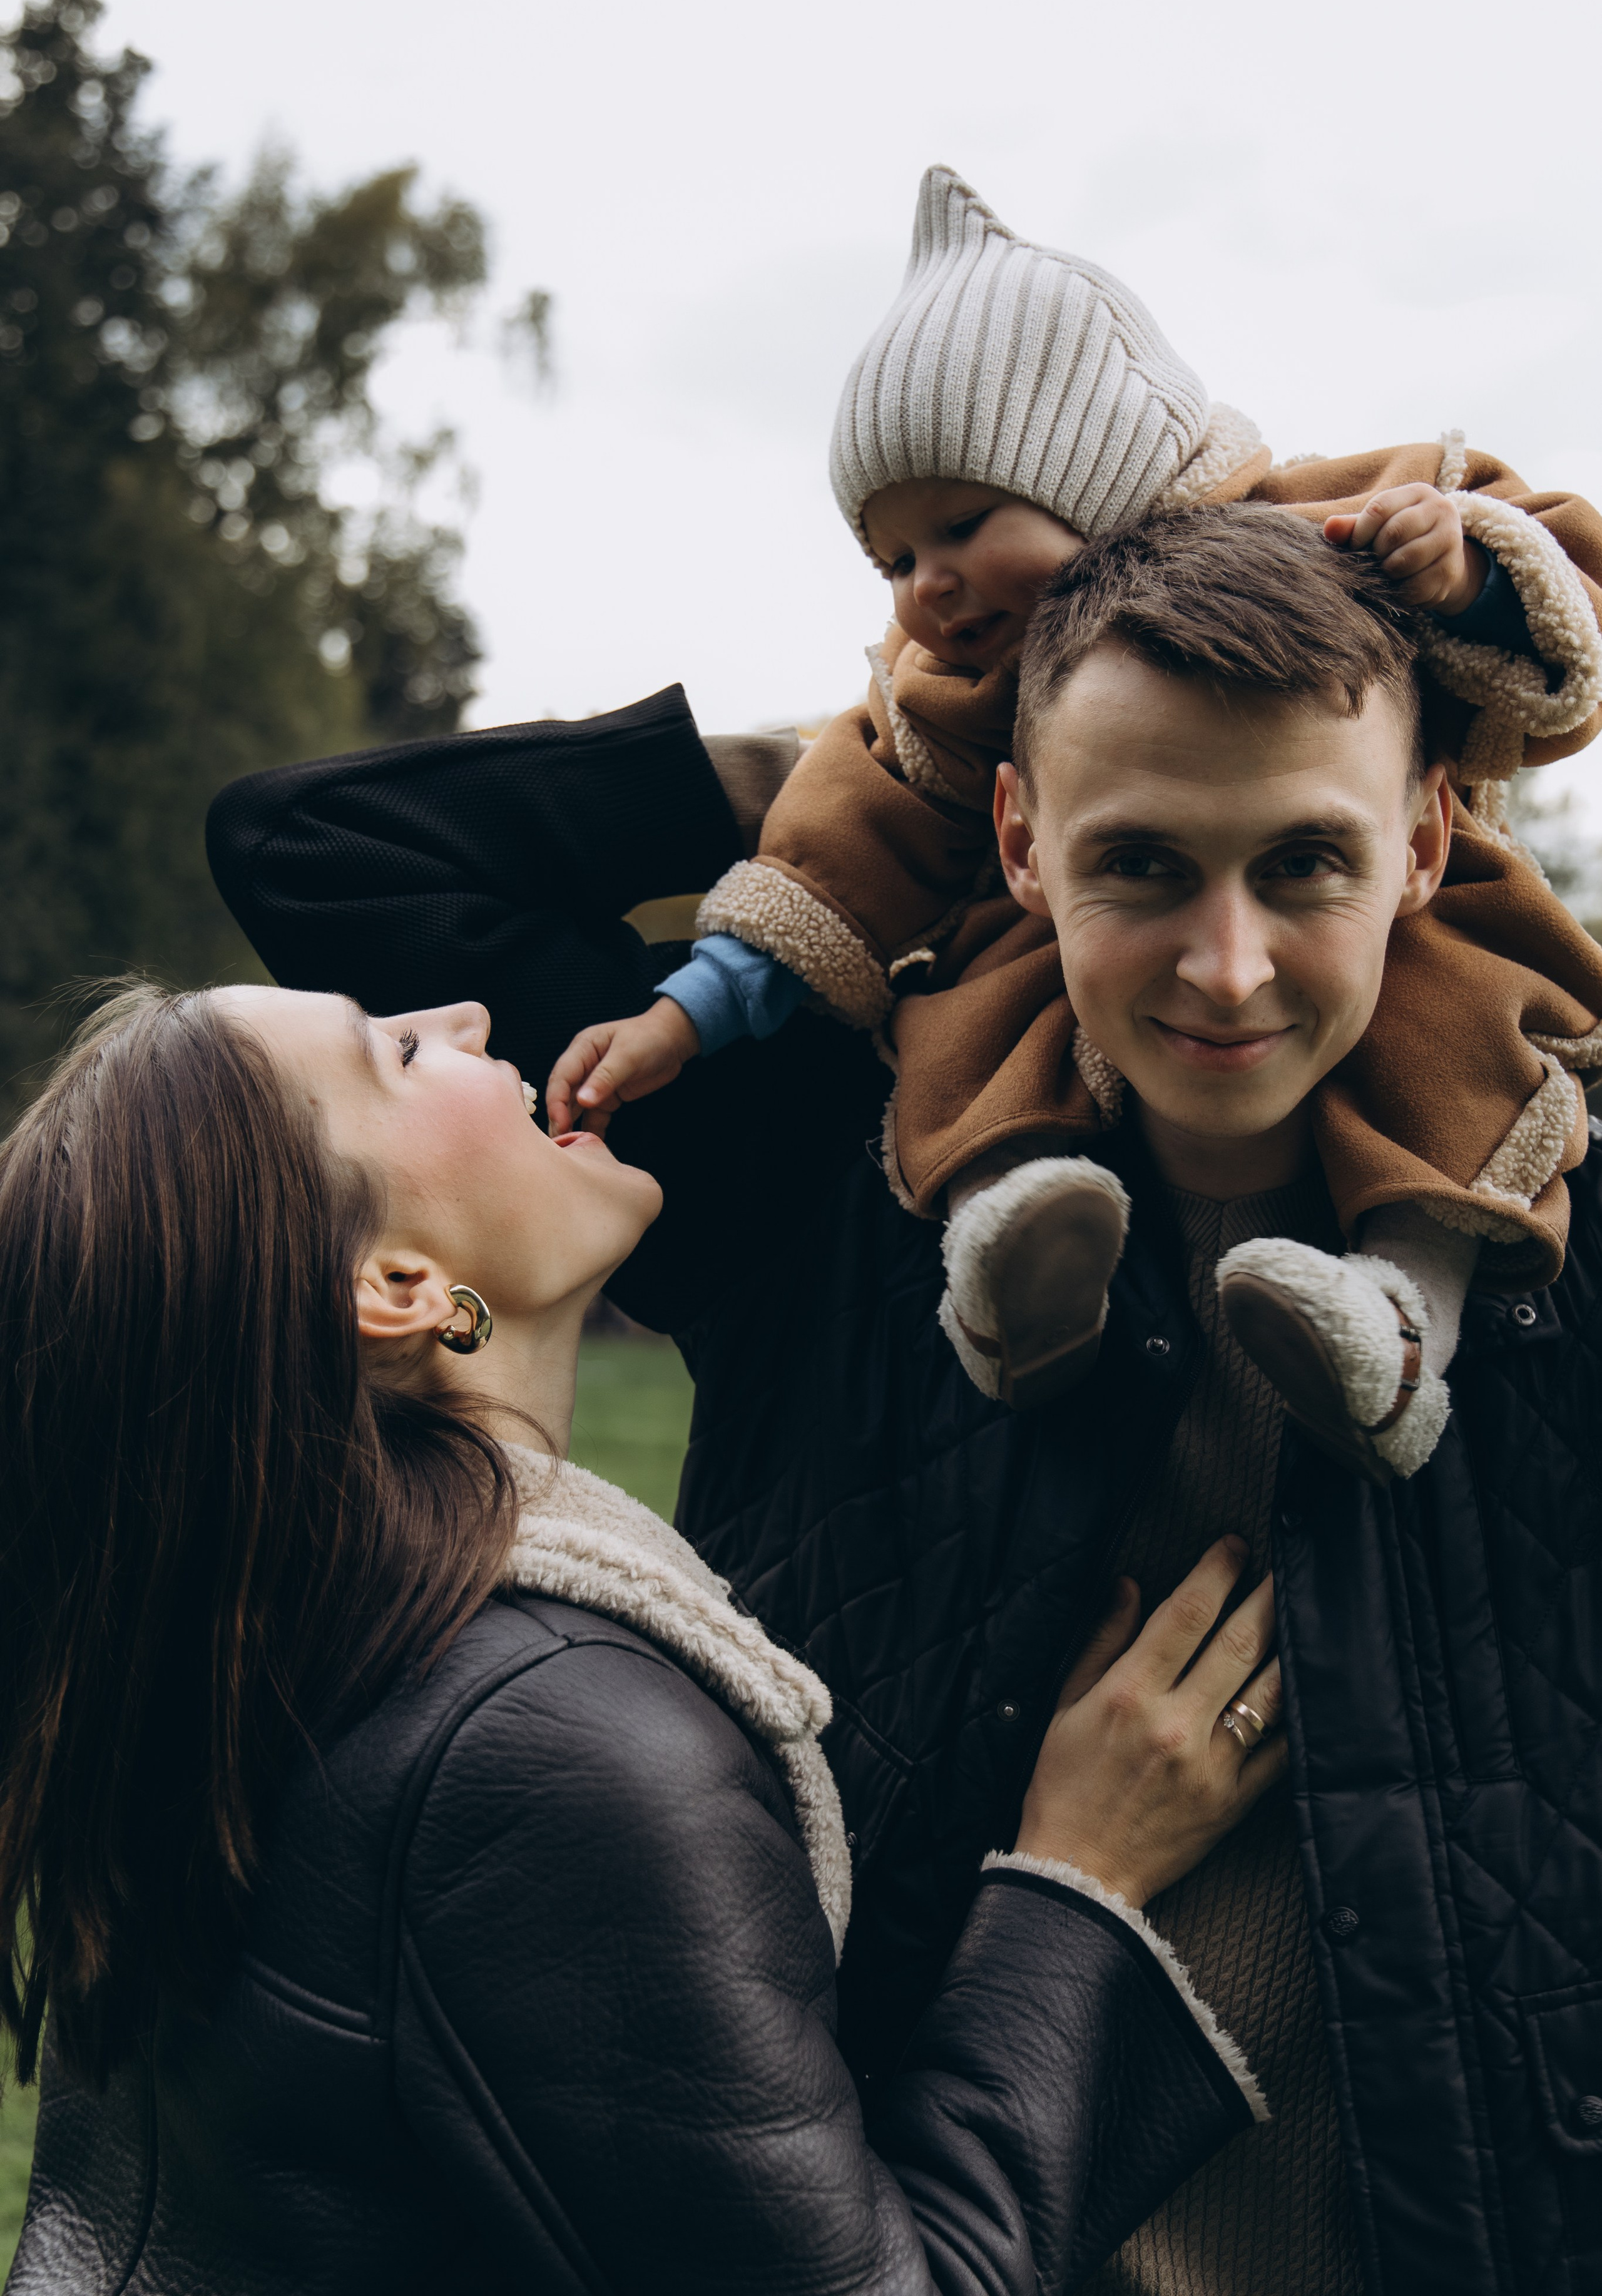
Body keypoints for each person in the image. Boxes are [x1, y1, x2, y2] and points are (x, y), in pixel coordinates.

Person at [207, 506, 1602, 2293]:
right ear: (1019, 841)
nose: (1228, 969)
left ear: (1425, 849)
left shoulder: (1554, 1248)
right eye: (1145, 862)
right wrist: (886, 772)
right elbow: (318, 844)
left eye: (1308, 865)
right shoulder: (840, 1175)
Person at [1, 979, 1296, 2293]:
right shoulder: (544, 1744)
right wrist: (1077, 1878)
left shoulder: (259, 1646)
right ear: (393, 1284)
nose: (459, 1014)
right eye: (392, 1052)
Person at [549, 165, 1602, 1481]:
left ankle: (1399, 1308)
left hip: (1423, 945)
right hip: (1033, 1022)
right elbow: (836, 851)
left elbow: (1561, 586)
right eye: (890, 560)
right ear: (1017, 832)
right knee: (962, 1014)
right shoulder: (944, 707)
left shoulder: (1322, 530)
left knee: (1447, 1031)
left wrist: (1459, 565)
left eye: (960, 523)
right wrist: (691, 1006)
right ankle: (1011, 1256)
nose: (925, 586)